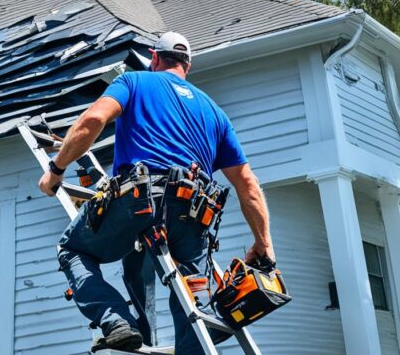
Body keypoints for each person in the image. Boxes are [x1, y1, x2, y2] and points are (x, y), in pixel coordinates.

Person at [38, 32, 274, 353]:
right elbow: (248, 185)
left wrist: (56, 171)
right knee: (191, 301)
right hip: (193, 214)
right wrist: (263, 245)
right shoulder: (215, 112)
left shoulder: (134, 82)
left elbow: (93, 118)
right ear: (187, 65)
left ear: (155, 57)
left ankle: (116, 320)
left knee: (73, 250)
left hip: (139, 200)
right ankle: (163, 337)